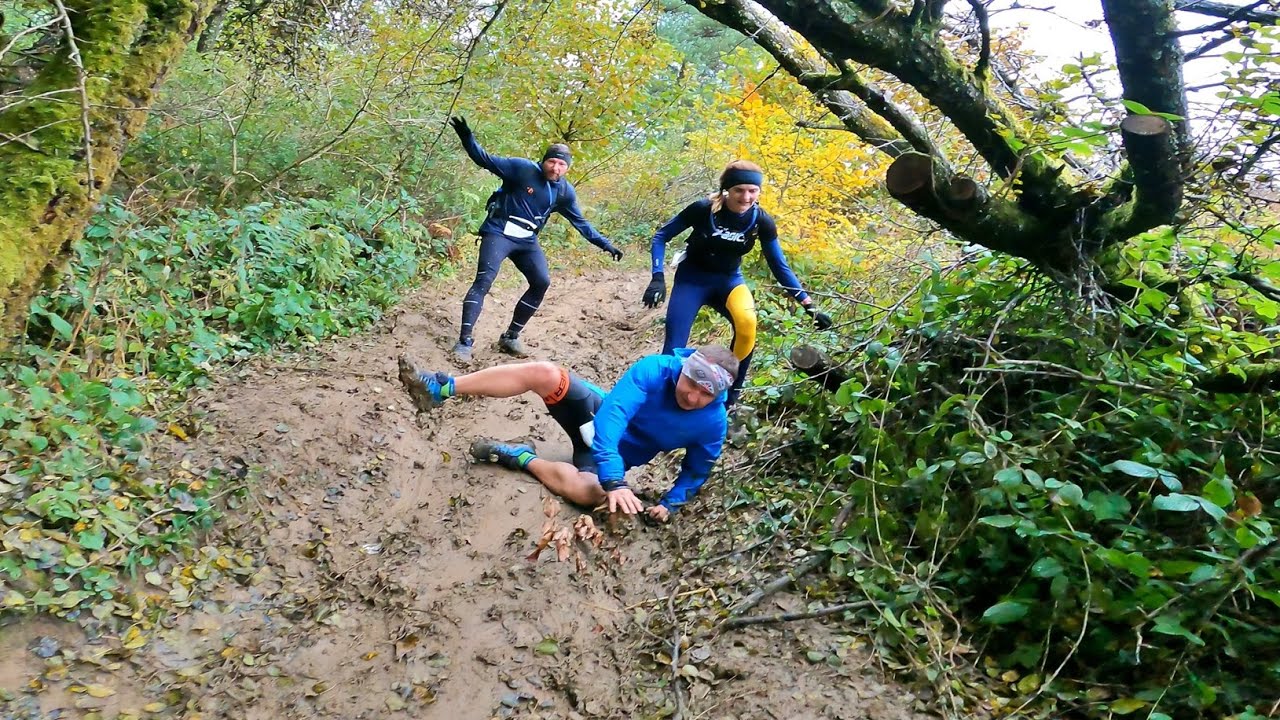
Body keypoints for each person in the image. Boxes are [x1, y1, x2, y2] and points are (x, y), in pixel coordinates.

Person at [397, 345, 739, 522]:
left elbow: (697, 469)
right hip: (595, 419)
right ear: (684, 368)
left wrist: (670, 503)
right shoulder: (656, 369)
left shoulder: (712, 422)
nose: (692, 397)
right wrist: (616, 479)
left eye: (705, 394)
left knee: (591, 493)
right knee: (545, 372)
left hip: (601, 460)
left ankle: (520, 457)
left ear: (719, 395)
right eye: (691, 384)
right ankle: (442, 388)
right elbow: (613, 417)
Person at [641, 160, 832, 407]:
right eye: (739, 190)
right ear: (726, 190)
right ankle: (664, 397)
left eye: (753, 190)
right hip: (692, 280)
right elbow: (661, 236)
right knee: (675, 344)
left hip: (729, 281)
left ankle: (729, 399)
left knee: (747, 326)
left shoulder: (761, 221)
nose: (746, 197)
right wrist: (657, 277)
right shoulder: (703, 209)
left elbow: (779, 265)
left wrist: (808, 304)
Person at [447, 116, 623, 363]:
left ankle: (511, 336)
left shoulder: (564, 192)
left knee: (541, 282)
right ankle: (464, 342)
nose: (555, 168)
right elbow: (483, 159)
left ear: (567, 168)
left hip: (527, 240)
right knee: (484, 280)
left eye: (561, 164)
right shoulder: (522, 169)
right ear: (543, 161)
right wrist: (467, 137)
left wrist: (605, 245)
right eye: (552, 161)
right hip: (499, 231)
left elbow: (580, 223)